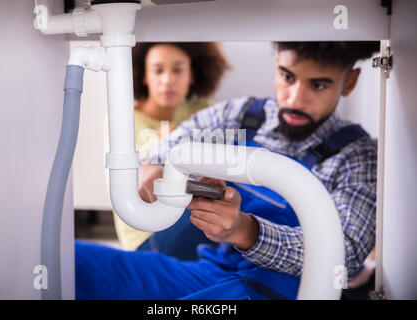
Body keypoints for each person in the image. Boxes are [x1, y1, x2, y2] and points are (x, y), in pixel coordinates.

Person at [77, 41, 379, 300]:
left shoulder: (357, 156)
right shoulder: (242, 114)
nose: (295, 98)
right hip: (210, 269)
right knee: (75, 263)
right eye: (287, 76)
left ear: (349, 82)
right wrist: (151, 166)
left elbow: (345, 255)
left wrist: (246, 230)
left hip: (273, 290)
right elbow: (176, 143)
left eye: (318, 84)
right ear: (277, 65)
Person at [110, 42, 230, 253]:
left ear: (192, 75)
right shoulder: (122, 119)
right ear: (144, 75)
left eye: (177, 70)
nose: (167, 80)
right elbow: (134, 182)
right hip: (147, 238)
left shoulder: (204, 111)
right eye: (157, 71)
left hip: (191, 221)